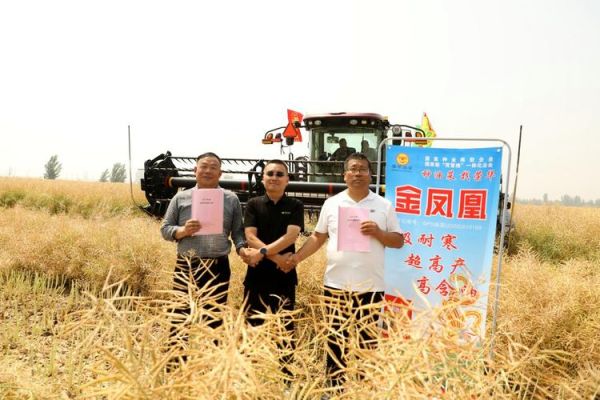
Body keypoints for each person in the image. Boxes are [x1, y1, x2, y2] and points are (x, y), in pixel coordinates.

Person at [290, 153, 404, 387]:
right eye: (353, 169)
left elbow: (398, 240)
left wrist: (378, 233)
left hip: (371, 286)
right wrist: (296, 258)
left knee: (367, 341)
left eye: (363, 169)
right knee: (335, 339)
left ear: (371, 175)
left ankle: (363, 389)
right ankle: (333, 389)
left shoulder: (384, 205)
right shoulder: (332, 203)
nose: (358, 173)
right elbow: (318, 236)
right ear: (344, 175)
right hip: (336, 284)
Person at [160, 152, 246, 353]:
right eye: (204, 166)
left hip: (218, 266)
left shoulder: (231, 199)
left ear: (220, 172)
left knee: (214, 320)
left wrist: (243, 249)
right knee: (180, 317)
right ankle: (176, 367)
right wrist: (182, 231)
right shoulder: (180, 197)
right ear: (195, 171)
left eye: (213, 167)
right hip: (187, 265)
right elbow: (165, 229)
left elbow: (238, 232)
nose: (208, 171)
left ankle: (211, 369)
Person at [241, 159, 304, 379]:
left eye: (279, 174)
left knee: (285, 328)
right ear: (263, 178)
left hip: (284, 277)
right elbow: (250, 236)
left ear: (287, 180)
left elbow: (292, 236)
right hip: (257, 275)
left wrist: (262, 253)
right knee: (252, 325)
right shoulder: (253, 204)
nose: (274, 177)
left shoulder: (295, 205)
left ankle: (286, 377)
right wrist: (276, 258)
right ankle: (252, 376)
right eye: (270, 173)